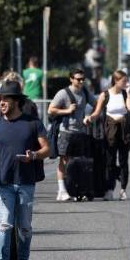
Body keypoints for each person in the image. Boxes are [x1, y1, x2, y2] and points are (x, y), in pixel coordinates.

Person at [0, 81, 49, 260]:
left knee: (24, 227)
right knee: (4, 225)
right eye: (0, 99)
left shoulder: (32, 123)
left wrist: (34, 156)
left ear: (16, 101)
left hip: (26, 182)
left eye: (6, 99)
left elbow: (48, 149)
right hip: (3, 184)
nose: (1, 102)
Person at [48, 68, 96, 202]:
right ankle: (61, 190)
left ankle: (76, 189)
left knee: (79, 162)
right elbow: (50, 109)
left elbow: (97, 104)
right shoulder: (63, 93)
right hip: (65, 132)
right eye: (78, 79)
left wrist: (89, 116)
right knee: (64, 160)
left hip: (80, 132)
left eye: (82, 79)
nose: (81, 81)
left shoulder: (85, 92)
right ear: (71, 79)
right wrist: (67, 110)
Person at [90, 70, 130, 201]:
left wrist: (129, 94)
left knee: (124, 161)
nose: (126, 83)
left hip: (124, 131)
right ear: (116, 81)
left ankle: (123, 189)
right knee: (109, 161)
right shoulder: (105, 95)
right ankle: (109, 189)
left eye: (126, 81)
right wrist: (89, 118)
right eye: (124, 81)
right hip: (110, 131)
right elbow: (97, 112)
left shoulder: (125, 94)